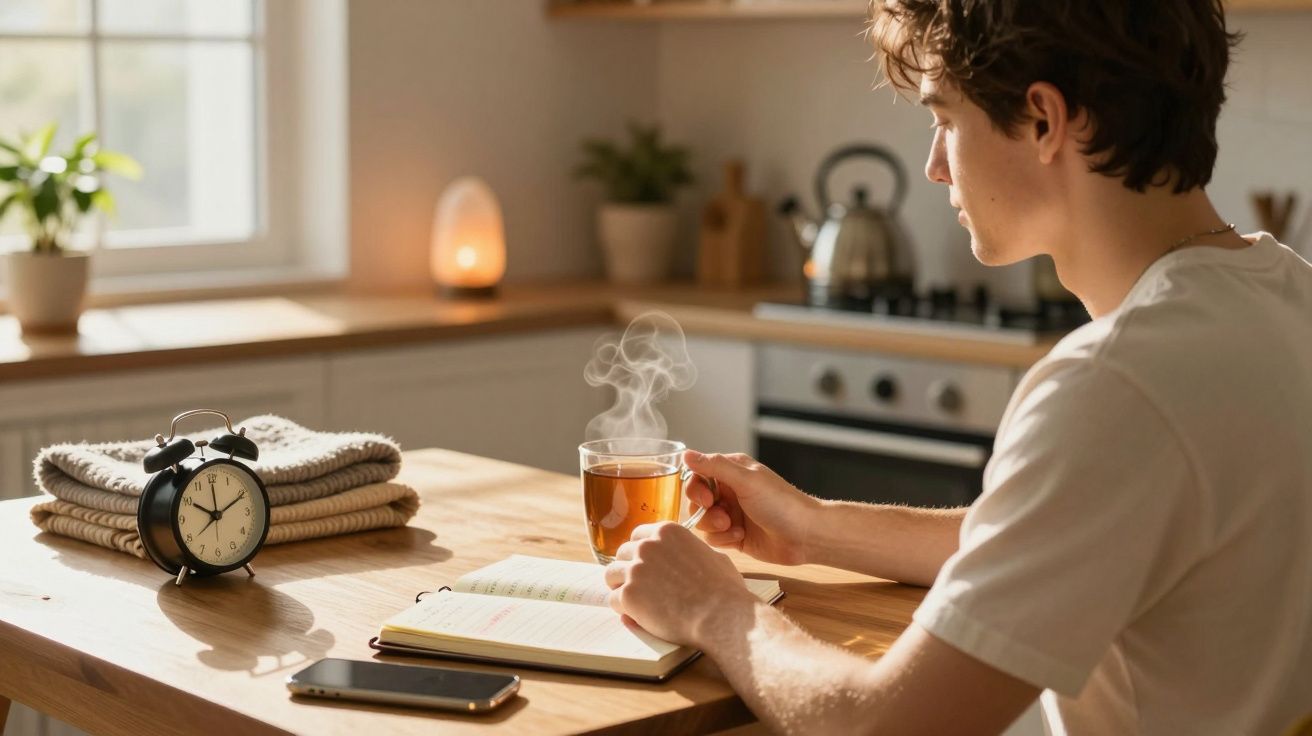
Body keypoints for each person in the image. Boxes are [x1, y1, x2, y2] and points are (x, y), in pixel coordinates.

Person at [601, 1, 1312, 733]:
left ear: (1044, 120)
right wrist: (812, 528)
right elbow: (1061, 529)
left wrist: (713, 607)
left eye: (944, 119)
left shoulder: (1115, 386)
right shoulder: (1287, 299)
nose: (934, 166)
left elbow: (885, 726)